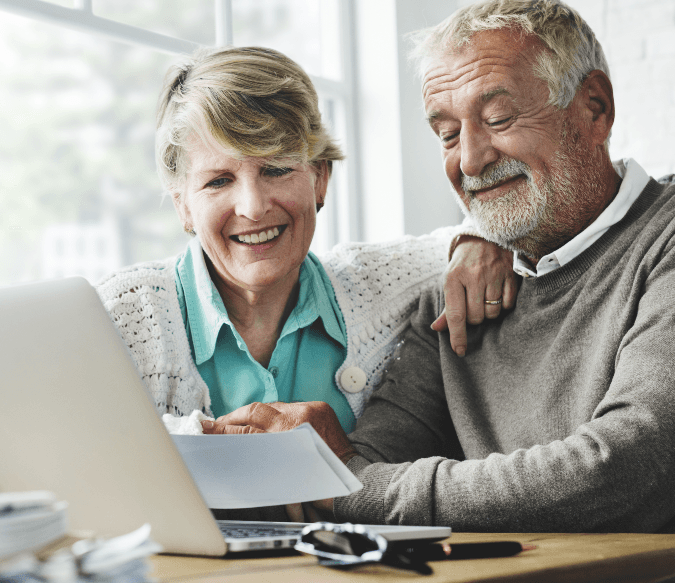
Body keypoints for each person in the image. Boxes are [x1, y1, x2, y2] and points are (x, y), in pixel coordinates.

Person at [202, 0, 675, 565]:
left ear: (595, 107)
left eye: (499, 119)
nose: (471, 160)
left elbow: (623, 472)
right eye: (448, 135)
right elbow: (363, 465)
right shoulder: (452, 298)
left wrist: (348, 483)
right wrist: (295, 462)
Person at [96, 46, 516, 430]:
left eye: (276, 169)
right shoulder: (121, 314)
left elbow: (493, 229)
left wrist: (479, 239)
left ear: (320, 178)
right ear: (183, 205)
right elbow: (71, 453)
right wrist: (202, 441)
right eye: (219, 181)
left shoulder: (381, 288)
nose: (253, 207)